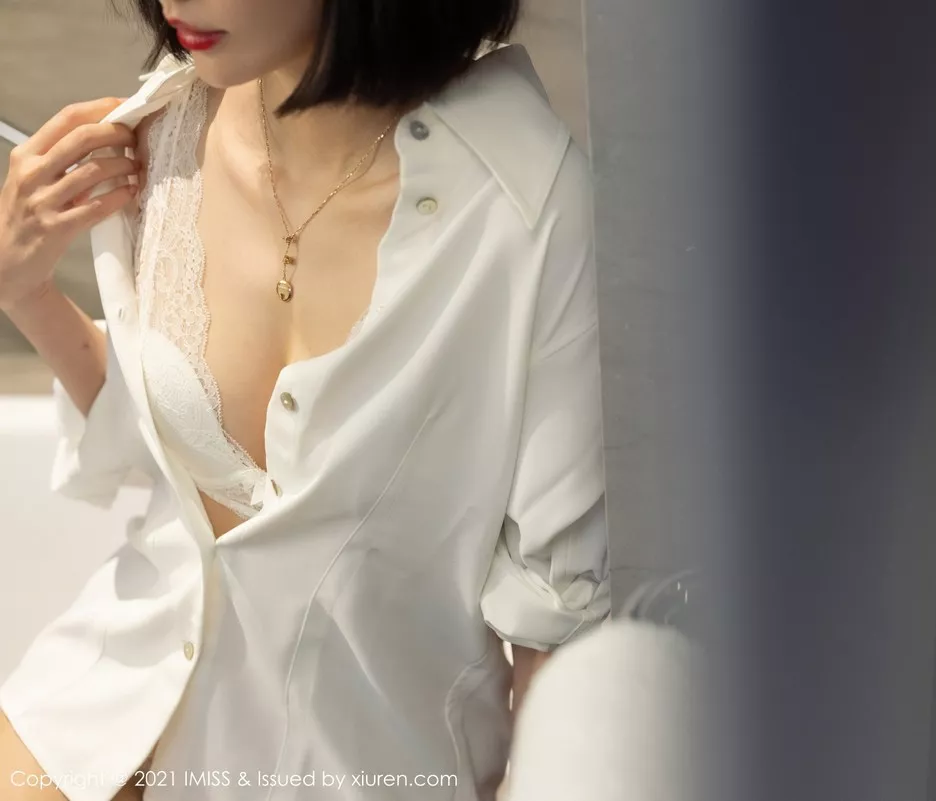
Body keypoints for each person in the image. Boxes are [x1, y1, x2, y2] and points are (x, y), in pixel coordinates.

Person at [0, 0, 610, 799]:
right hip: (113, 707)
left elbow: (558, 630)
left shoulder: (527, 209)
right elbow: (165, 446)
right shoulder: (165, 125)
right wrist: (23, 290)